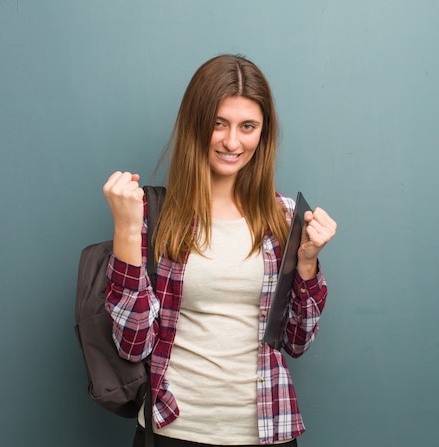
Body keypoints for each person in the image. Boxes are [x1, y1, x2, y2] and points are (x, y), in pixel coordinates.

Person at [102, 54, 337, 447]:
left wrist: (308, 262)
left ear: (263, 132)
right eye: (218, 124)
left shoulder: (285, 217)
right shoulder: (152, 213)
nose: (232, 142)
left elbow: (297, 341)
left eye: (248, 127)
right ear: (196, 126)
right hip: (173, 428)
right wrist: (126, 227)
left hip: (268, 431)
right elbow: (132, 343)